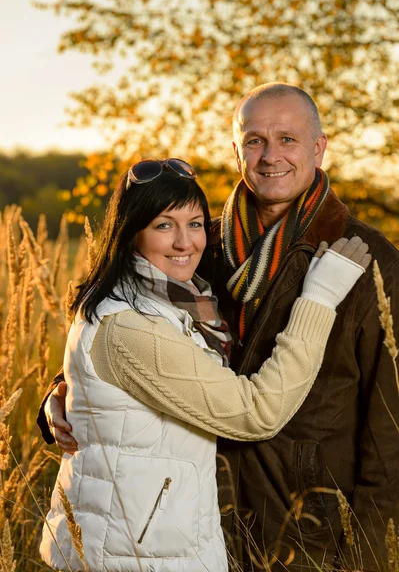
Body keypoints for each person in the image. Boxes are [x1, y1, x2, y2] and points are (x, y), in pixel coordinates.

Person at [38, 158, 368, 572]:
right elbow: (257, 414)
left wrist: (62, 390)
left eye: (195, 223)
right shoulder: (132, 323)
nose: (185, 242)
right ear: (130, 234)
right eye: (163, 225)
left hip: (153, 539)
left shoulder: (179, 297)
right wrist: (318, 299)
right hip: (139, 555)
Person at [196, 83, 399, 571]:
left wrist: (369, 553)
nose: (270, 157)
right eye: (255, 140)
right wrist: (67, 393)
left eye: (287, 139)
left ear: (318, 147)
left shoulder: (372, 259)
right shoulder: (198, 250)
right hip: (205, 522)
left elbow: (391, 428)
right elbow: (132, 331)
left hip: (313, 531)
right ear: (235, 150)